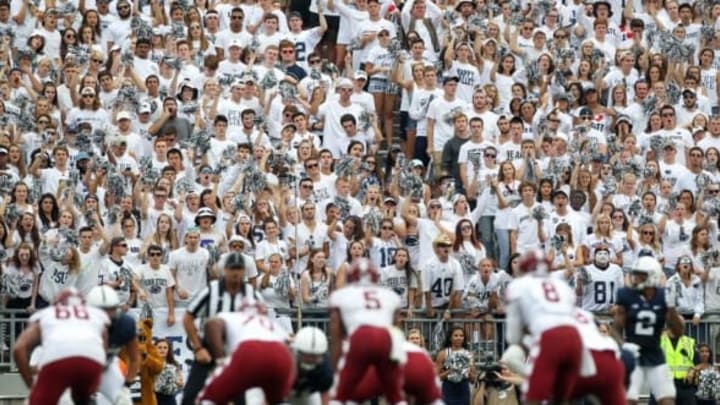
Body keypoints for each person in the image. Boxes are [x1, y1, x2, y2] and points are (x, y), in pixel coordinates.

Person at [504, 250, 590, 404]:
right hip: (575, 337)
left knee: (533, 396)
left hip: (549, 338)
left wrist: (521, 345)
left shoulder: (518, 285)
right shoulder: (561, 286)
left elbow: (513, 335)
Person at [181, 252, 262, 405]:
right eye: (232, 268)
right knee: (190, 396)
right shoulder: (212, 290)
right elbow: (188, 317)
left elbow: (262, 323)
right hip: (209, 350)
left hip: (237, 353)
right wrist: (198, 348)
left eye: (239, 268)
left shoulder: (251, 294)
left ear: (244, 271)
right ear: (225, 270)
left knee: (241, 398)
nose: (235, 272)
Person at [328, 258, 406, 405]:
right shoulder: (390, 296)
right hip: (386, 336)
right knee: (395, 395)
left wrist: (334, 364)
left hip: (360, 336)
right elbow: (396, 329)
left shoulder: (340, 295)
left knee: (339, 394)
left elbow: (336, 334)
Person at [13, 288, 109, 405]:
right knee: (83, 399)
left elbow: (18, 348)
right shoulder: (95, 315)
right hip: (92, 359)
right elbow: (103, 345)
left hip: (57, 359)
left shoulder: (47, 314)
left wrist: (30, 384)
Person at [196, 297, 294, 404]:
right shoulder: (273, 325)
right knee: (276, 401)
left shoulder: (234, 317)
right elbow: (290, 344)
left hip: (250, 351)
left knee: (209, 397)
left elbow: (211, 324)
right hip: (282, 355)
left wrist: (220, 360)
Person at [614, 256, 685, 405]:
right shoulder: (626, 295)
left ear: (652, 276)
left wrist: (671, 309)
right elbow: (616, 328)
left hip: (655, 354)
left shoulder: (664, 296)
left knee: (667, 400)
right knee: (627, 399)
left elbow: (678, 332)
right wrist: (622, 348)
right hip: (633, 354)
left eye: (640, 275)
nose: (635, 278)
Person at [86, 285, 141, 405]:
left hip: (106, 368)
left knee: (124, 401)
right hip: (78, 371)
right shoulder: (77, 325)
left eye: (111, 309)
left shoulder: (125, 324)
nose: (106, 314)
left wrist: (127, 384)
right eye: (101, 310)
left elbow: (135, 359)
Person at [288, 326, 334, 405]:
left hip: (310, 394)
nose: (310, 359)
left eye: (314, 356)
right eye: (307, 355)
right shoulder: (284, 362)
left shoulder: (325, 371)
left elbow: (325, 398)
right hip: (284, 392)